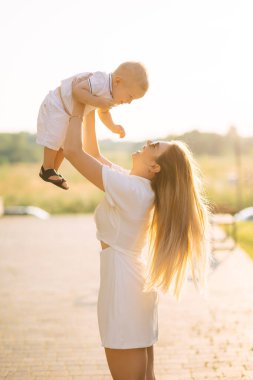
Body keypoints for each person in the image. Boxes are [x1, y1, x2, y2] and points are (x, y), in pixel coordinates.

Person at [63, 80, 211, 380]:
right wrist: (93, 105)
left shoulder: (132, 190)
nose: (148, 142)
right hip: (132, 287)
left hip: (123, 291)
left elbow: (73, 152)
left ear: (155, 167)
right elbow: (92, 152)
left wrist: (78, 103)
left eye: (154, 146)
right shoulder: (136, 187)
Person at [36, 61, 148, 190]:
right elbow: (77, 90)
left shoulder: (112, 95)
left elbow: (103, 112)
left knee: (64, 143)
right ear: (117, 81)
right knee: (55, 137)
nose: (129, 102)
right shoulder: (101, 81)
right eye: (130, 96)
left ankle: (52, 170)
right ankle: (47, 167)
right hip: (57, 105)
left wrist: (113, 126)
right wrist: (97, 101)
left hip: (68, 112)